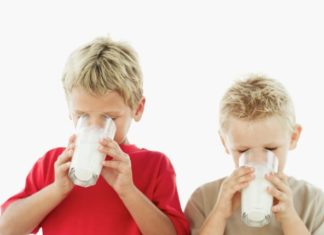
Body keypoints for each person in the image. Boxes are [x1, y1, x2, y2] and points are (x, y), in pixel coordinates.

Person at [0, 36, 189, 235]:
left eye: (109, 117)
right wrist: (56, 190)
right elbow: (6, 228)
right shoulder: (54, 164)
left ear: (138, 109)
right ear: (69, 109)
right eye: (82, 116)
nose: (94, 128)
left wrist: (128, 191)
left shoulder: (155, 165)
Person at [184, 75, 324, 235]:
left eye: (271, 149)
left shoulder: (313, 201)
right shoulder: (204, 199)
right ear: (224, 142)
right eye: (243, 151)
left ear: (293, 137)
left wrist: (290, 218)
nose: (258, 162)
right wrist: (219, 214)